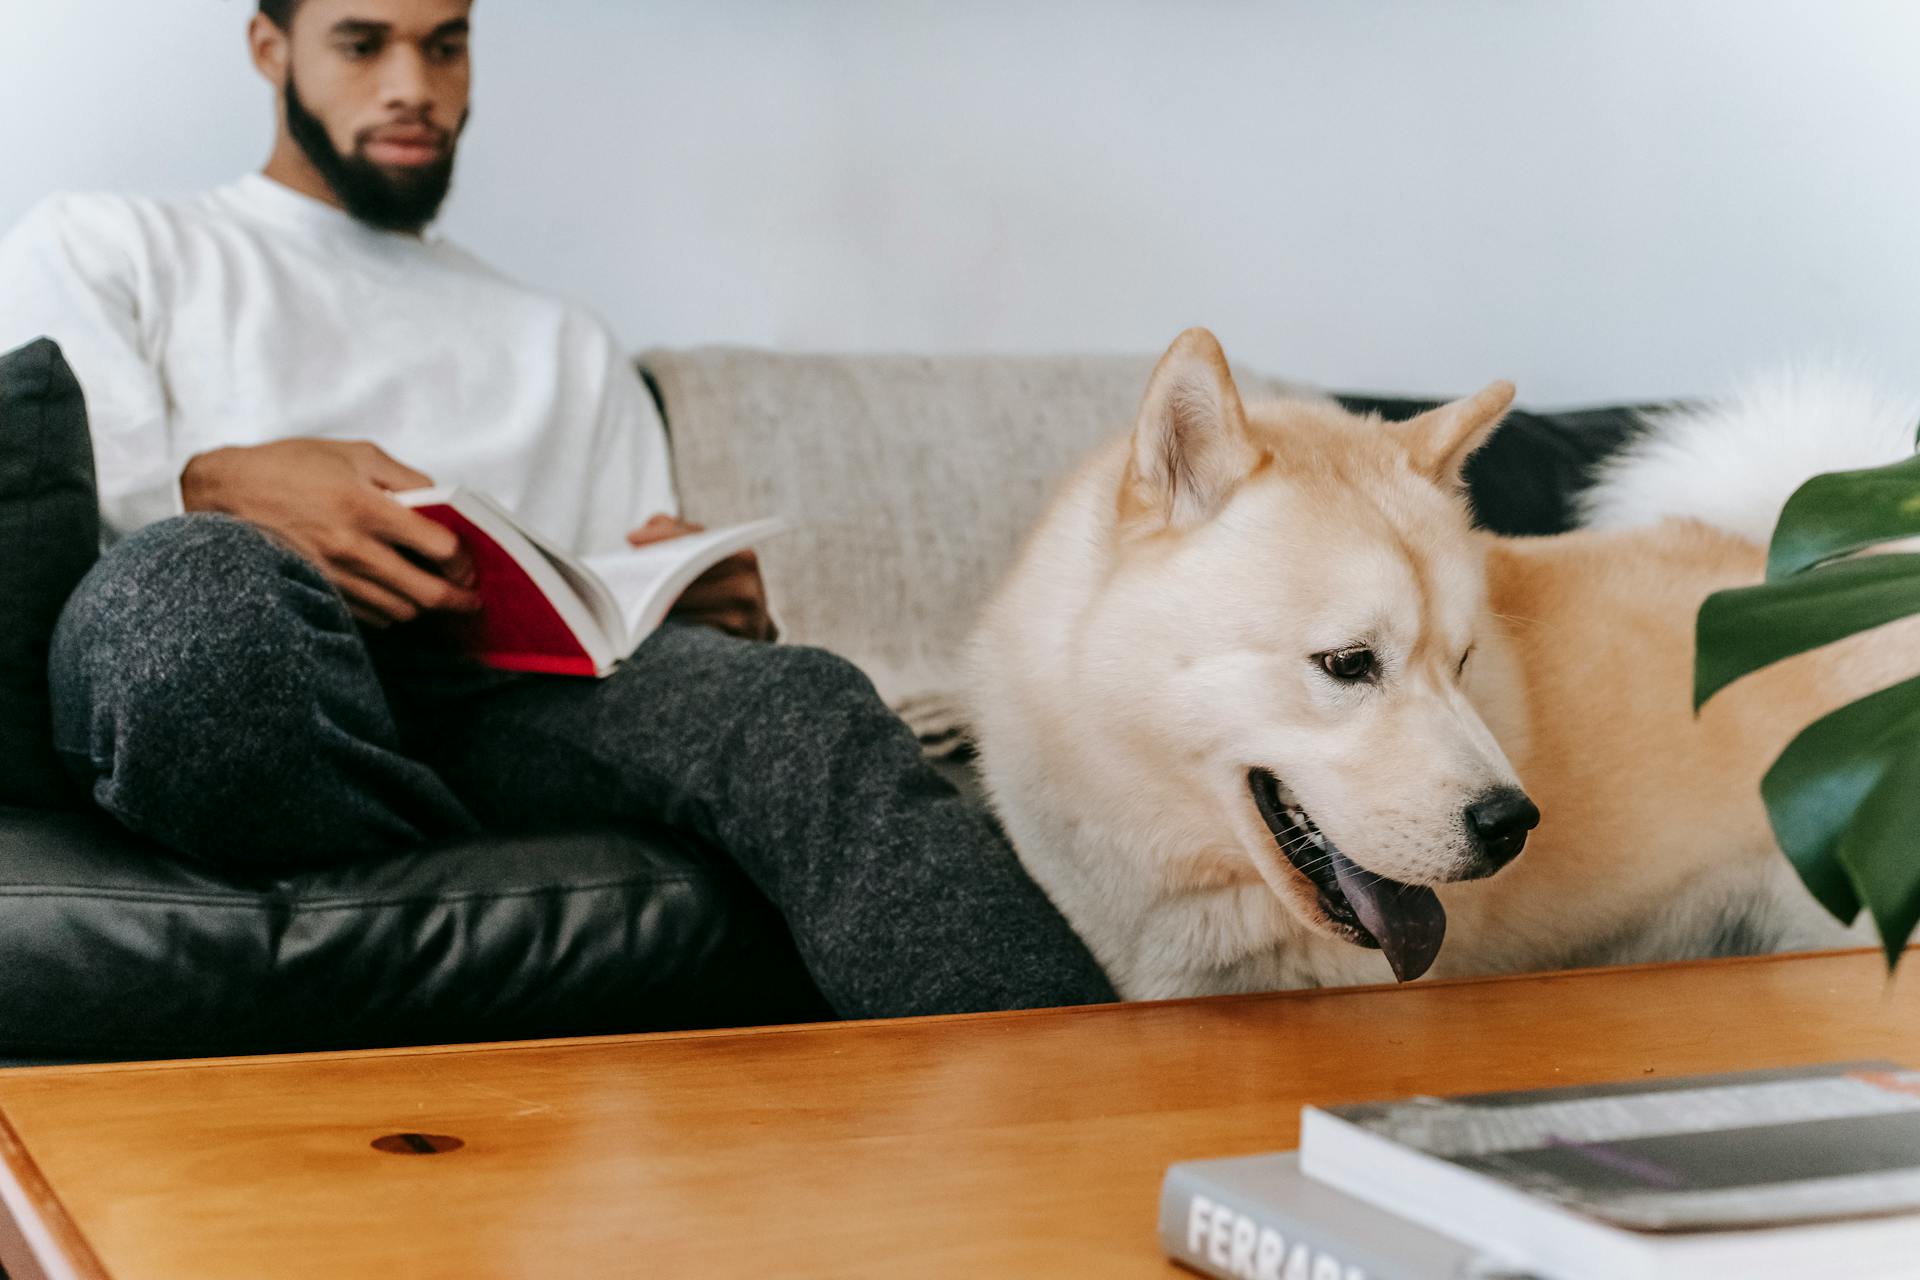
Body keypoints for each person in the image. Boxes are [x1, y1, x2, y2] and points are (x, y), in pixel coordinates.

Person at [0, 0, 1116, 1018]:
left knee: (796, 700)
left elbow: (621, 627)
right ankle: (419, 822)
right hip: (232, 655)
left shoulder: (557, 336)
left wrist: (701, 604)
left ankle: (1090, 1120)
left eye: (445, 43)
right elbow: (61, 539)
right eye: (362, 42)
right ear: (269, 46)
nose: (412, 83)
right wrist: (210, 482)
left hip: (495, 711)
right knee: (199, 606)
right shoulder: (112, 245)